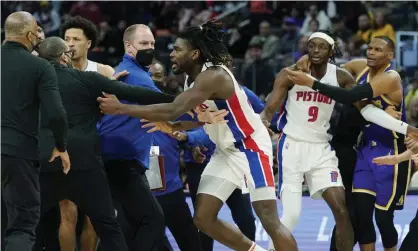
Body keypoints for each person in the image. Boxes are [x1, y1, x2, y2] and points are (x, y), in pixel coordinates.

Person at [98, 20, 298, 251]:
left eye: (177, 49)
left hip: (249, 146)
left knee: (269, 219)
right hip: (224, 151)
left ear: (194, 54)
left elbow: (174, 108)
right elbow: (197, 117)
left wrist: (121, 108)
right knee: (203, 218)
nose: (170, 53)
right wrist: (176, 127)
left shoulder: (213, 76)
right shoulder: (190, 79)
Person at [35, 36, 181, 251]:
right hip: (85, 166)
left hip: (45, 164)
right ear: (64, 57)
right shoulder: (88, 80)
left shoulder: (32, 85)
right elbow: (136, 93)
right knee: (108, 226)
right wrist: (178, 100)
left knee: (34, 226)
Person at [288, 36, 416, 251]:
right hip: (365, 150)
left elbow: (351, 95)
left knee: (384, 219)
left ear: (390, 56)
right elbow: (330, 70)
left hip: (392, 150)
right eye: (370, 48)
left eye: (378, 50)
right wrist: (307, 58)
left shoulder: (391, 78)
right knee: (362, 216)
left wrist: (312, 83)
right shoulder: (359, 67)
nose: (371, 52)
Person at [1, 11, 69, 251]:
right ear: (30, 35)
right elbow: (57, 114)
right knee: (21, 225)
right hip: (18, 153)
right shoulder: (39, 66)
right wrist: (61, 146)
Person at [97, 24, 165, 251]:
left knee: (126, 225)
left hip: (119, 159)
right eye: (144, 44)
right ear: (129, 46)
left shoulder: (128, 73)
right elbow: (173, 106)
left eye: (153, 44)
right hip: (123, 161)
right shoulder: (135, 76)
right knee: (153, 220)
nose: (150, 48)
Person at [173, 83, 263, 251]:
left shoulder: (239, 92)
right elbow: (181, 131)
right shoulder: (188, 95)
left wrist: (258, 130)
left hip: (230, 162)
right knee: (204, 220)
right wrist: (190, 145)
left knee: (245, 219)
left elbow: (262, 113)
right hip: (199, 166)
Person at [59, 15, 114, 251]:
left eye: (76, 39)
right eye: (66, 39)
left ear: (89, 43)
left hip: (97, 149)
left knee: (93, 218)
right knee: (67, 215)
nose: (70, 44)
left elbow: (116, 110)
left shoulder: (103, 71)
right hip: (65, 150)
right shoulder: (54, 72)